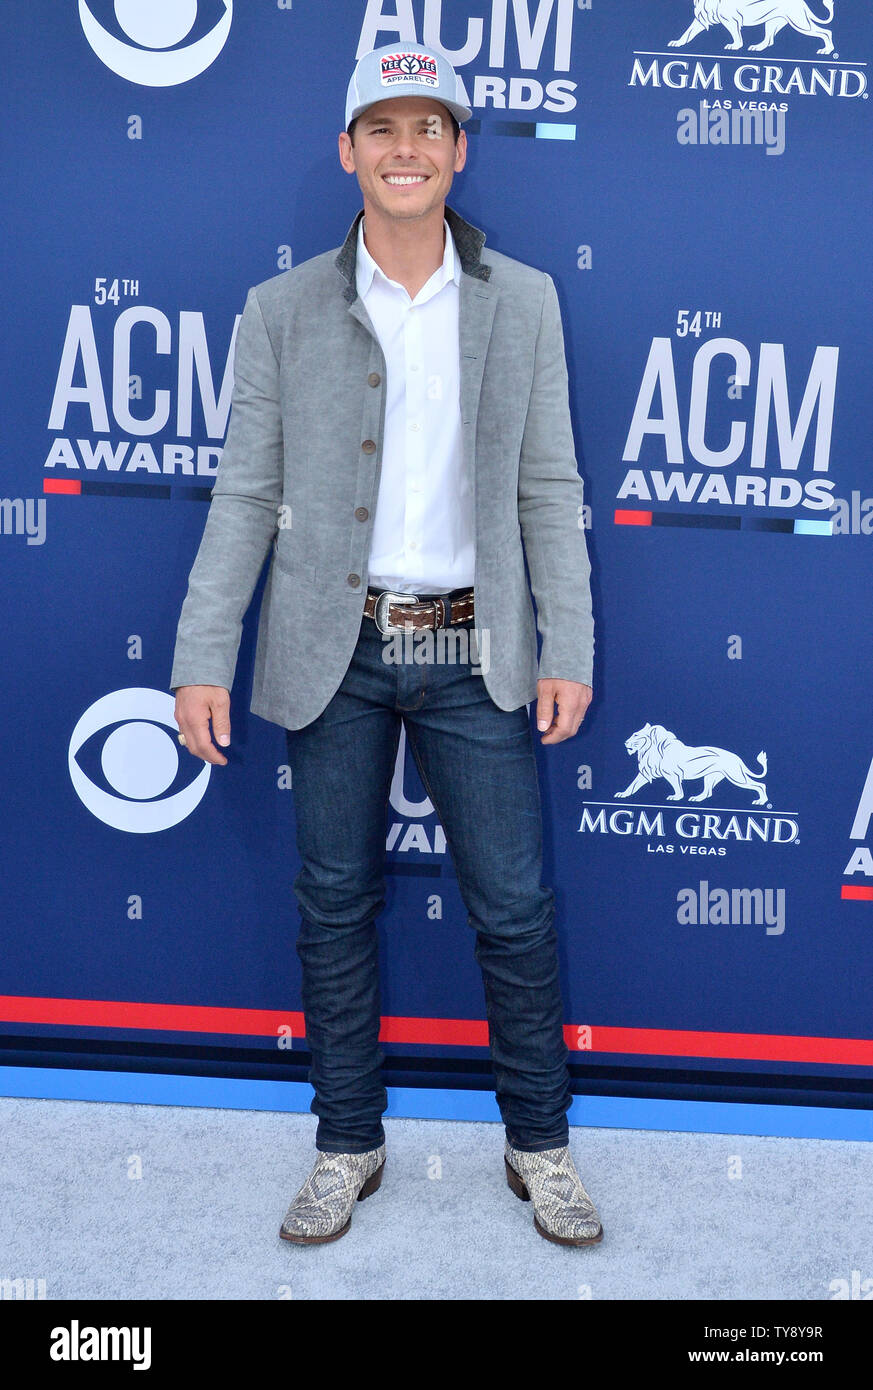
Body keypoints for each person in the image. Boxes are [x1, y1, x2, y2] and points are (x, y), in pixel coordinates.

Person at [170, 42, 602, 1249]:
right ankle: (346, 1142)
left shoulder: (523, 300)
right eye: (383, 128)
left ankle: (541, 1147)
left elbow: (549, 481)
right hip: (332, 649)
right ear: (350, 150)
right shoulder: (281, 311)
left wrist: (567, 639)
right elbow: (243, 495)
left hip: (477, 652)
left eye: (430, 128)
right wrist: (202, 654)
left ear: (459, 152)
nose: (406, 149)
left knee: (513, 910)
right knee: (331, 904)